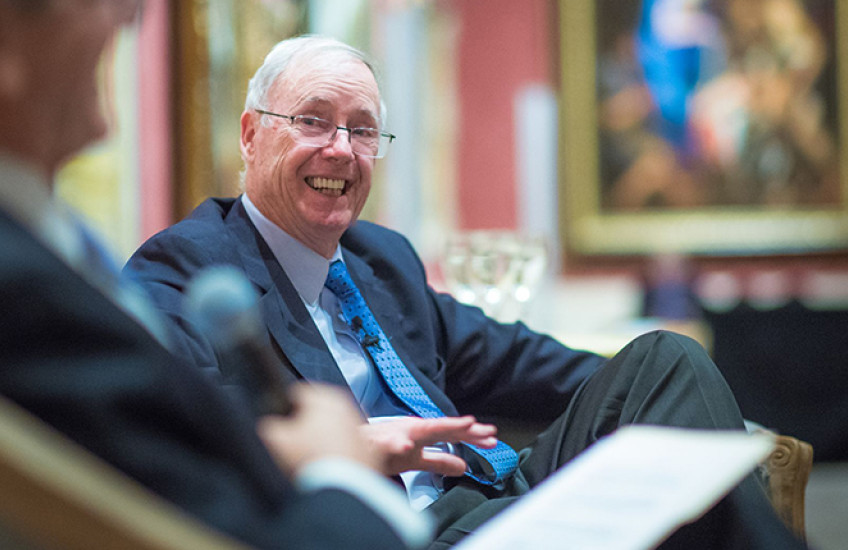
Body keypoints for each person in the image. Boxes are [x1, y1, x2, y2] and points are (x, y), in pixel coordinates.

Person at [125, 34, 806, 549]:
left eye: (362, 129)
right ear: (251, 134)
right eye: (313, 120)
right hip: (395, 530)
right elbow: (175, 434)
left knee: (666, 359)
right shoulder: (189, 272)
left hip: (491, 496)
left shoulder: (376, 258)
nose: (341, 149)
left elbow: (515, 359)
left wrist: (699, 416)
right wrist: (353, 445)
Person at [0, 2, 430, 549]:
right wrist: (341, 470)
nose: (129, 16)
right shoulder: (26, 294)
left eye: (363, 130)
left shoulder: (51, 244)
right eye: (312, 122)